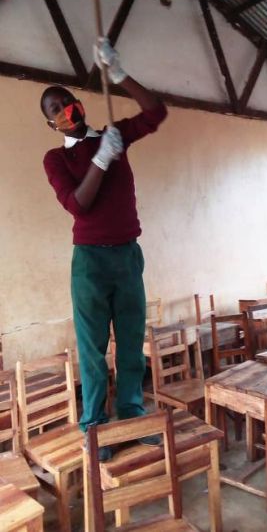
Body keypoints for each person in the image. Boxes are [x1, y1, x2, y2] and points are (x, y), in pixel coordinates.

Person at [42, 38, 167, 459]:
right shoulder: (55, 160)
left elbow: (156, 112)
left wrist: (119, 74)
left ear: (80, 102)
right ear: (51, 124)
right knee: (93, 347)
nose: (65, 111)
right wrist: (100, 161)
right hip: (91, 261)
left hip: (128, 255)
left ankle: (131, 413)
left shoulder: (114, 135)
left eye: (67, 102)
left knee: (131, 341)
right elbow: (78, 204)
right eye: (55, 110)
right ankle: (95, 425)